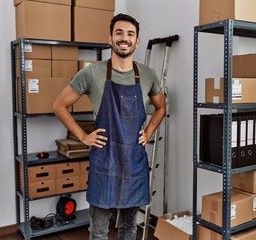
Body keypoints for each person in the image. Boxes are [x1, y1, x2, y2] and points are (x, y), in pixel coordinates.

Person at [53, 13, 166, 240]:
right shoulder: (92, 73)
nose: (124, 38)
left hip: (133, 163)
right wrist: (84, 137)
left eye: (130, 34)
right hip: (104, 163)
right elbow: (59, 105)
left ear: (137, 42)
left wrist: (150, 131)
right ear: (110, 38)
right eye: (119, 33)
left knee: (128, 229)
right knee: (98, 231)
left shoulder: (147, 75)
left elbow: (161, 108)